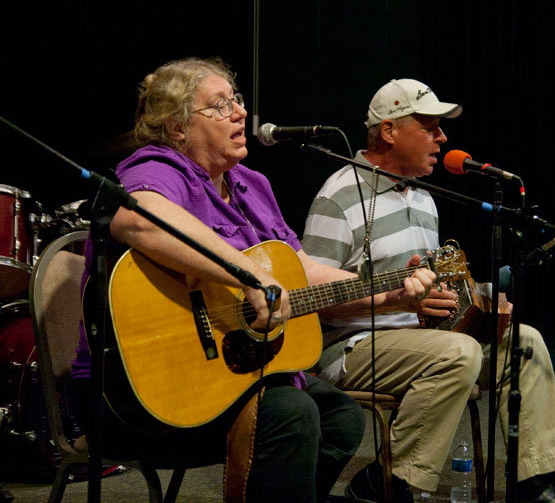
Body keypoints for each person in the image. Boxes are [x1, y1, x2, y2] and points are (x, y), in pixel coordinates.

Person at [70, 58, 437, 502]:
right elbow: (138, 219)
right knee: (289, 412)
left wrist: (390, 290)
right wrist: (247, 276)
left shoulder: (251, 185)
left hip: (223, 379)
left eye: (237, 101)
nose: (240, 113)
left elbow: (298, 269)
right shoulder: (158, 168)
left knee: (341, 416)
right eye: (219, 105)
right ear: (178, 128)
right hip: (129, 394)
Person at [302, 79, 555, 503]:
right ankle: (387, 483)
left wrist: (482, 299)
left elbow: (432, 283)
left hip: (420, 340)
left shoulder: (424, 197)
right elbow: (313, 298)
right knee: (458, 354)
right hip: (352, 347)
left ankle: (537, 484)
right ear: (390, 132)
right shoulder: (340, 195)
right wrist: (398, 300)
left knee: (524, 339)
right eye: (430, 126)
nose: (443, 138)